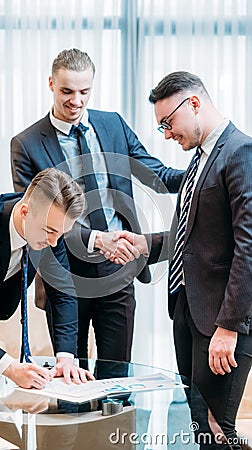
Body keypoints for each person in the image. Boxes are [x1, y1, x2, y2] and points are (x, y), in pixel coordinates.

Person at [11, 48, 184, 365]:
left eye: (84, 92)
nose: (76, 100)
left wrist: (207, 173)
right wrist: (95, 239)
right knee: (70, 378)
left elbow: (156, 174)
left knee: (117, 380)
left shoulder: (112, 125)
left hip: (117, 267)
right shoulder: (27, 145)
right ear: (51, 83)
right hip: (64, 275)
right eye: (67, 91)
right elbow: (37, 219)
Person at [109, 71, 252, 449]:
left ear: (193, 104)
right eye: (162, 128)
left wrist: (229, 327)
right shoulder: (201, 159)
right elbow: (196, 237)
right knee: (199, 422)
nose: (168, 135)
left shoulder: (241, 152)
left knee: (217, 426)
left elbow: (248, 247)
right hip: (189, 311)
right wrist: (144, 244)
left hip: (222, 320)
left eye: (168, 124)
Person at [0, 167, 93, 387]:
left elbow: (63, 292)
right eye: (49, 231)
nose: (55, 242)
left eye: (61, 233)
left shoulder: (49, 230)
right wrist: (11, 369)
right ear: (25, 211)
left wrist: (66, 357)